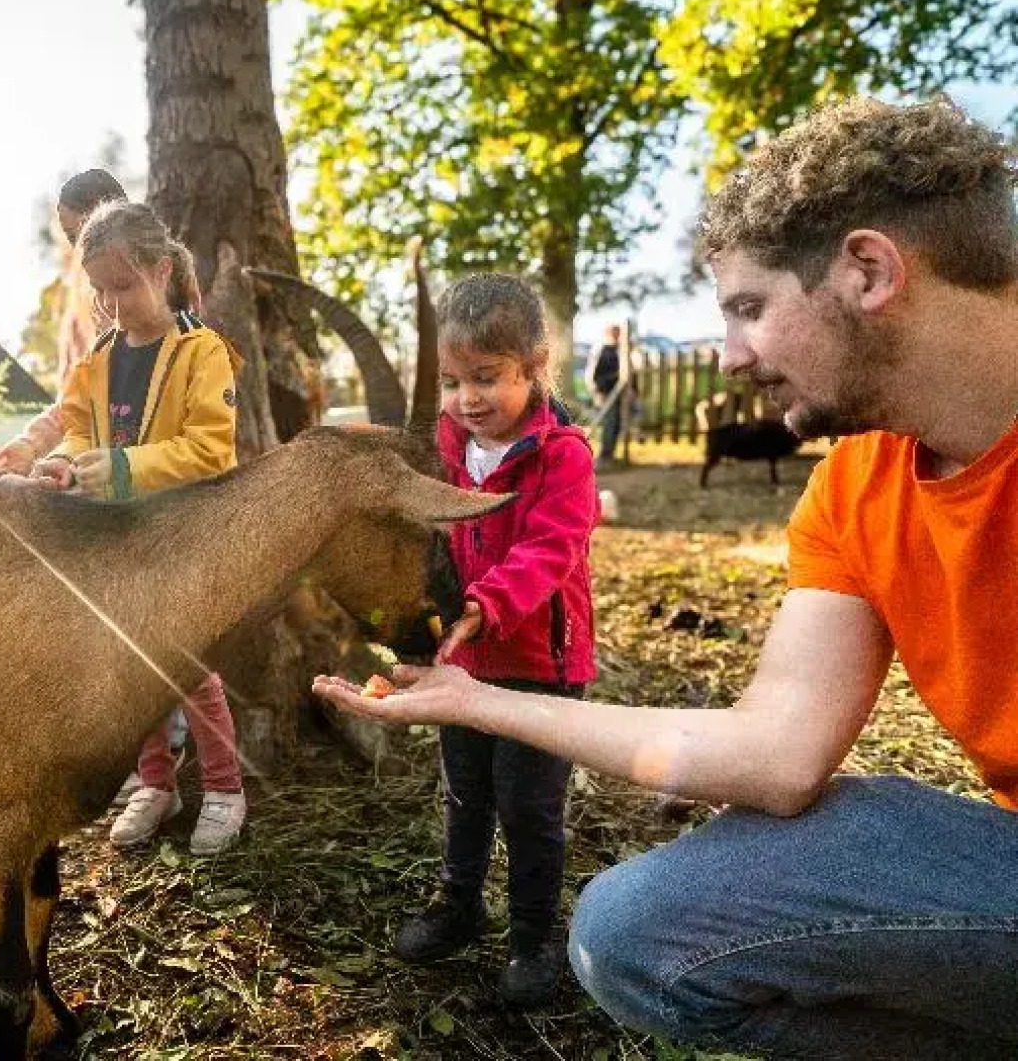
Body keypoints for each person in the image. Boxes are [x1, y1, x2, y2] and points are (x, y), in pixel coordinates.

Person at [313, 95, 1018, 1058]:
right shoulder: (856, 487)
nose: (730, 359)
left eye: (749, 310)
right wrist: (472, 700)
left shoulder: (559, 454)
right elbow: (775, 754)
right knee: (633, 934)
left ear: (868, 270)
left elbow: (552, 547)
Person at [389, 274, 598, 1008]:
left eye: (486, 378)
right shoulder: (449, 445)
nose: (468, 399)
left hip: (539, 666)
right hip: (468, 662)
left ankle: (536, 935)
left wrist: (484, 605)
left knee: (528, 803)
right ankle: (460, 903)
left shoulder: (563, 457)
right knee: (465, 790)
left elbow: (550, 548)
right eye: (453, 381)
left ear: (534, 367)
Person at [30, 201, 248, 855]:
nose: (112, 303)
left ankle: (226, 786)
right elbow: (77, 429)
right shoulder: (98, 356)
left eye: (124, 286)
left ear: (160, 270)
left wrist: (125, 469)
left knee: (189, 667)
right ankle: (155, 781)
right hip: (112, 540)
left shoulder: (201, 352)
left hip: (179, 540)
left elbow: (212, 450)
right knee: (127, 662)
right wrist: (63, 464)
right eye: (100, 290)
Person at [0, 169, 133, 477]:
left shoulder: (151, 300)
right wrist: (34, 444)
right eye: (71, 238)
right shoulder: (81, 305)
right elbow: (77, 401)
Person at [583, 323, 626, 466]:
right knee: (610, 422)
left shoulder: (619, 350)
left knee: (616, 422)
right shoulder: (603, 350)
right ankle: (605, 454)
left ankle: (611, 453)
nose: (617, 336)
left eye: (618, 333)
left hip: (617, 392)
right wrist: (599, 390)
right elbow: (595, 374)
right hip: (605, 392)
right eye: (615, 333)